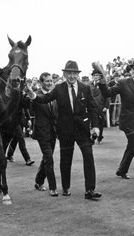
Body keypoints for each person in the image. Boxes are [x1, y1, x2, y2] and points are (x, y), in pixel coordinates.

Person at [26, 60, 102, 200]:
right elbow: (46, 98)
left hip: (82, 130)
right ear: (65, 74)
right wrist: (34, 96)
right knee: (66, 160)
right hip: (65, 130)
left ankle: (90, 190)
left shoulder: (85, 88)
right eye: (69, 73)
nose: (72, 76)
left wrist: (95, 127)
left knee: (89, 157)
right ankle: (66, 187)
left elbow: (92, 109)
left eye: (74, 73)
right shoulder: (59, 88)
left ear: (78, 74)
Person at [31, 72, 58, 197]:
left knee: (46, 158)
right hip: (41, 132)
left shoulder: (53, 95)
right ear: (41, 83)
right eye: (47, 81)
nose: (49, 83)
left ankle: (38, 181)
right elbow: (29, 105)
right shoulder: (35, 95)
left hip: (53, 132)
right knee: (49, 158)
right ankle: (53, 187)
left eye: (51, 81)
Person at [90, 69, 109, 143]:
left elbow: (107, 96)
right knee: (93, 122)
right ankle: (94, 136)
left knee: (100, 123)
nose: (95, 77)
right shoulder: (90, 85)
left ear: (100, 76)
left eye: (97, 75)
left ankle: (100, 137)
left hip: (101, 106)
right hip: (92, 106)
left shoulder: (103, 84)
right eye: (94, 75)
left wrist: (106, 106)